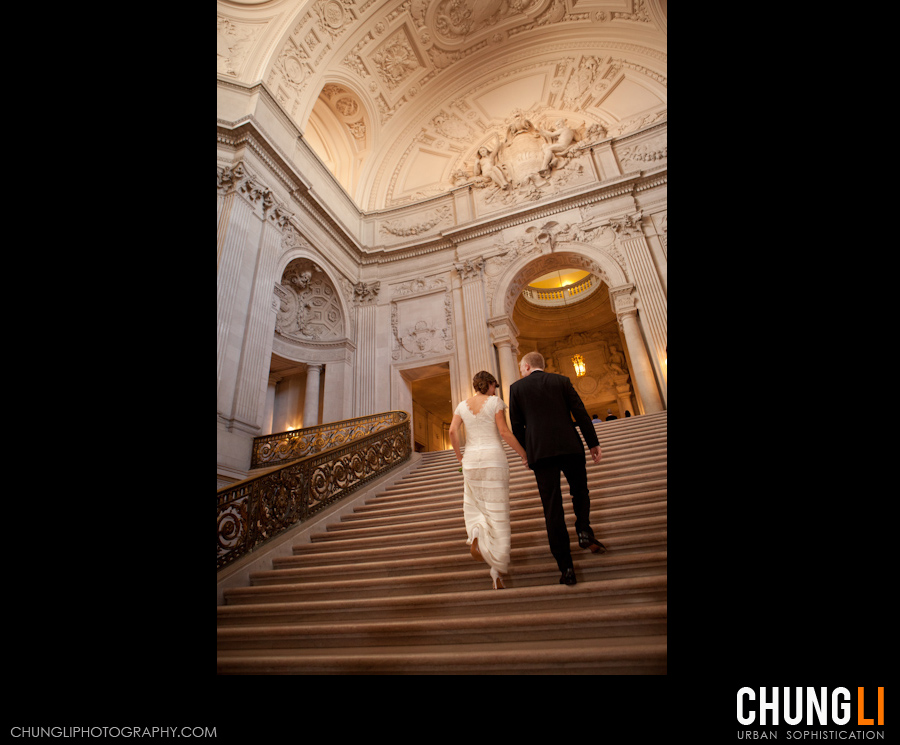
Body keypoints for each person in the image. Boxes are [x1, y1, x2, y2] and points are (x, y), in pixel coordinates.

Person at [509, 351, 605, 586]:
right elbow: (581, 413)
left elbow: (517, 426)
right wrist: (593, 443)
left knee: (552, 508)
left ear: (528, 366)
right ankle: (583, 530)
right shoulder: (561, 381)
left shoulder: (516, 388)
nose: (521, 371)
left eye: (522, 368)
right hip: (570, 446)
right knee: (580, 492)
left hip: (541, 453)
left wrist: (527, 452)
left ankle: (567, 568)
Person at [449, 371, 527, 590]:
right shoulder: (495, 402)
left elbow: (452, 431)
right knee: (498, 512)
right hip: (494, 459)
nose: (496, 390)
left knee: (476, 506)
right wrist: (523, 453)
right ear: (491, 384)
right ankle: (497, 571)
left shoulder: (462, 406)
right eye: (496, 386)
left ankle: (475, 533)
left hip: (471, 461)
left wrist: (460, 459)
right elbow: (504, 432)